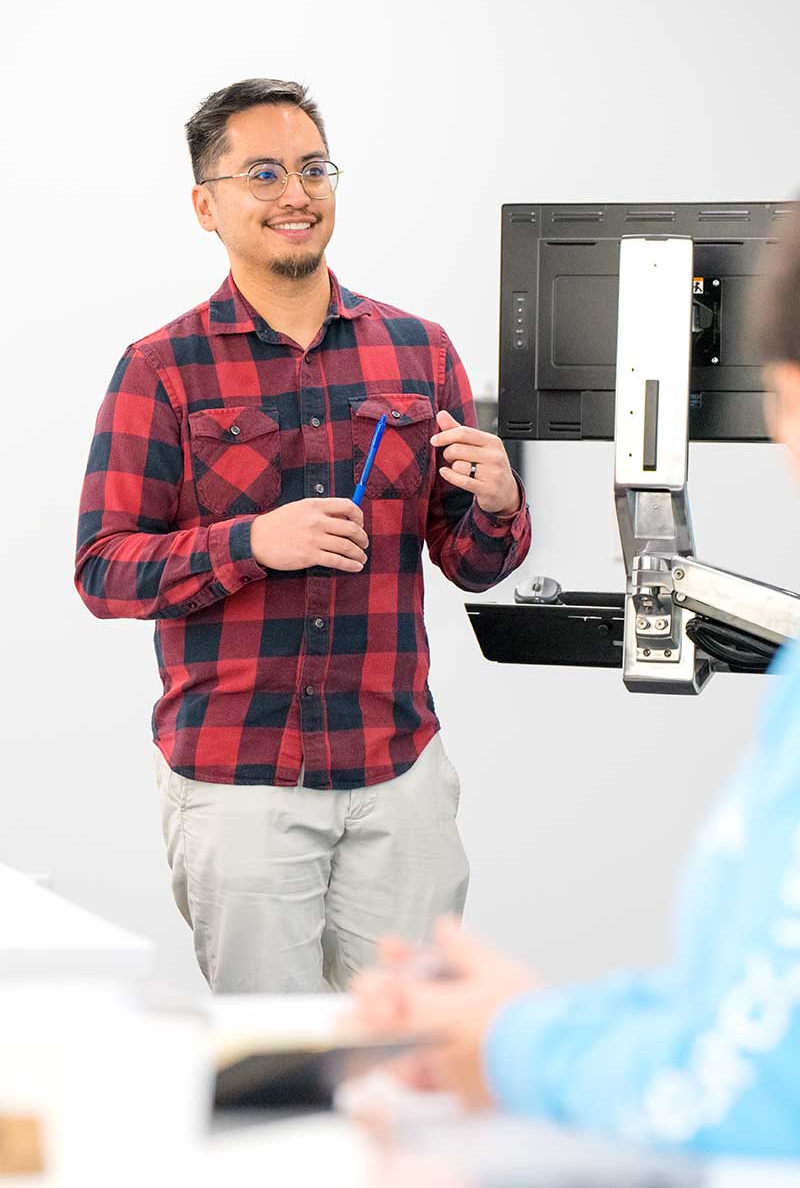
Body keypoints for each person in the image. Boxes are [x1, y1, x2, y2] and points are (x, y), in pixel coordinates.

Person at [353, 206, 800, 1159]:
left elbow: (745, 1094)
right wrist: (524, 1016)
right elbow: (740, 1005)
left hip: (394, 765)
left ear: (784, 400)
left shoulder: (412, 350)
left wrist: (515, 1041)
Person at [74, 78, 530, 993]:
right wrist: (252, 542)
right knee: (275, 1067)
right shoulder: (161, 367)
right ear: (207, 204)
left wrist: (498, 505)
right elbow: (103, 569)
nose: (297, 193)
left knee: (403, 1057)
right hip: (241, 780)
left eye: (315, 168)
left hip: (396, 770)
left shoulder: (419, 349)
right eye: (265, 173)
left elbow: (472, 562)